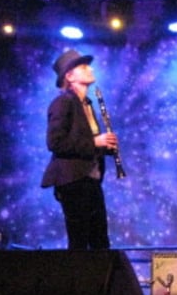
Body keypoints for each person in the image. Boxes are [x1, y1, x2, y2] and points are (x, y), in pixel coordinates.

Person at [41, 49, 119, 250]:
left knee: (100, 239)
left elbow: (84, 143)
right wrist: (95, 143)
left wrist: (106, 147)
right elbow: (55, 143)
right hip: (73, 180)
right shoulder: (63, 102)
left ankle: (99, 281)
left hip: (90, 179)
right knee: (80, 241)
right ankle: (78, 281)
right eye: (83, 67)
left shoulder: (87, 105)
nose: (90, 69)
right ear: (69, 76)